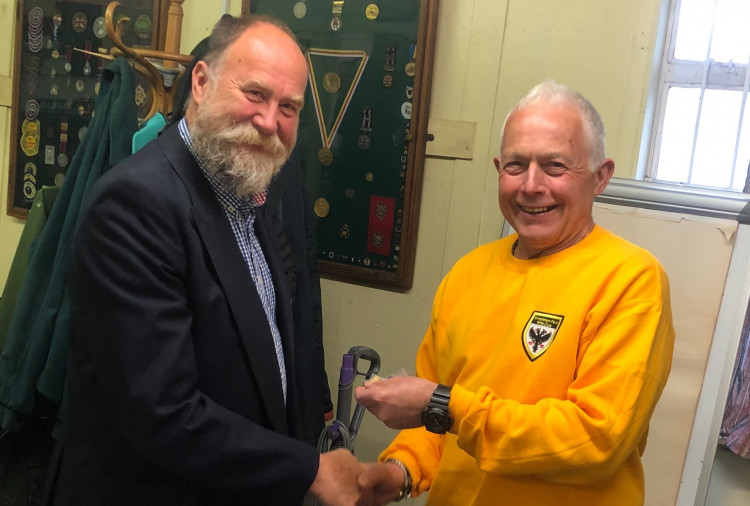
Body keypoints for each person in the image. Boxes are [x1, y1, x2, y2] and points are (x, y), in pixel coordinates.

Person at [53, 15, 367, 506]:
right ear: (200, 82)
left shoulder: (247, 187)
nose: (269, 122)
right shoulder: (136, 204)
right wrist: (310, 470)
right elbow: (162, 411)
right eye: (255, 94)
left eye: (289, 107)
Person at [354, 80, 676, 506]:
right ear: (497, 170)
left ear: (601, 177)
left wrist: (445, 405)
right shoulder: (468, 272)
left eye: (555, 166)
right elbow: (431, 417)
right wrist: (400, 471)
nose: (531, 185)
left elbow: (595, 439)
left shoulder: (631, 280)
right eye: (516, 165)